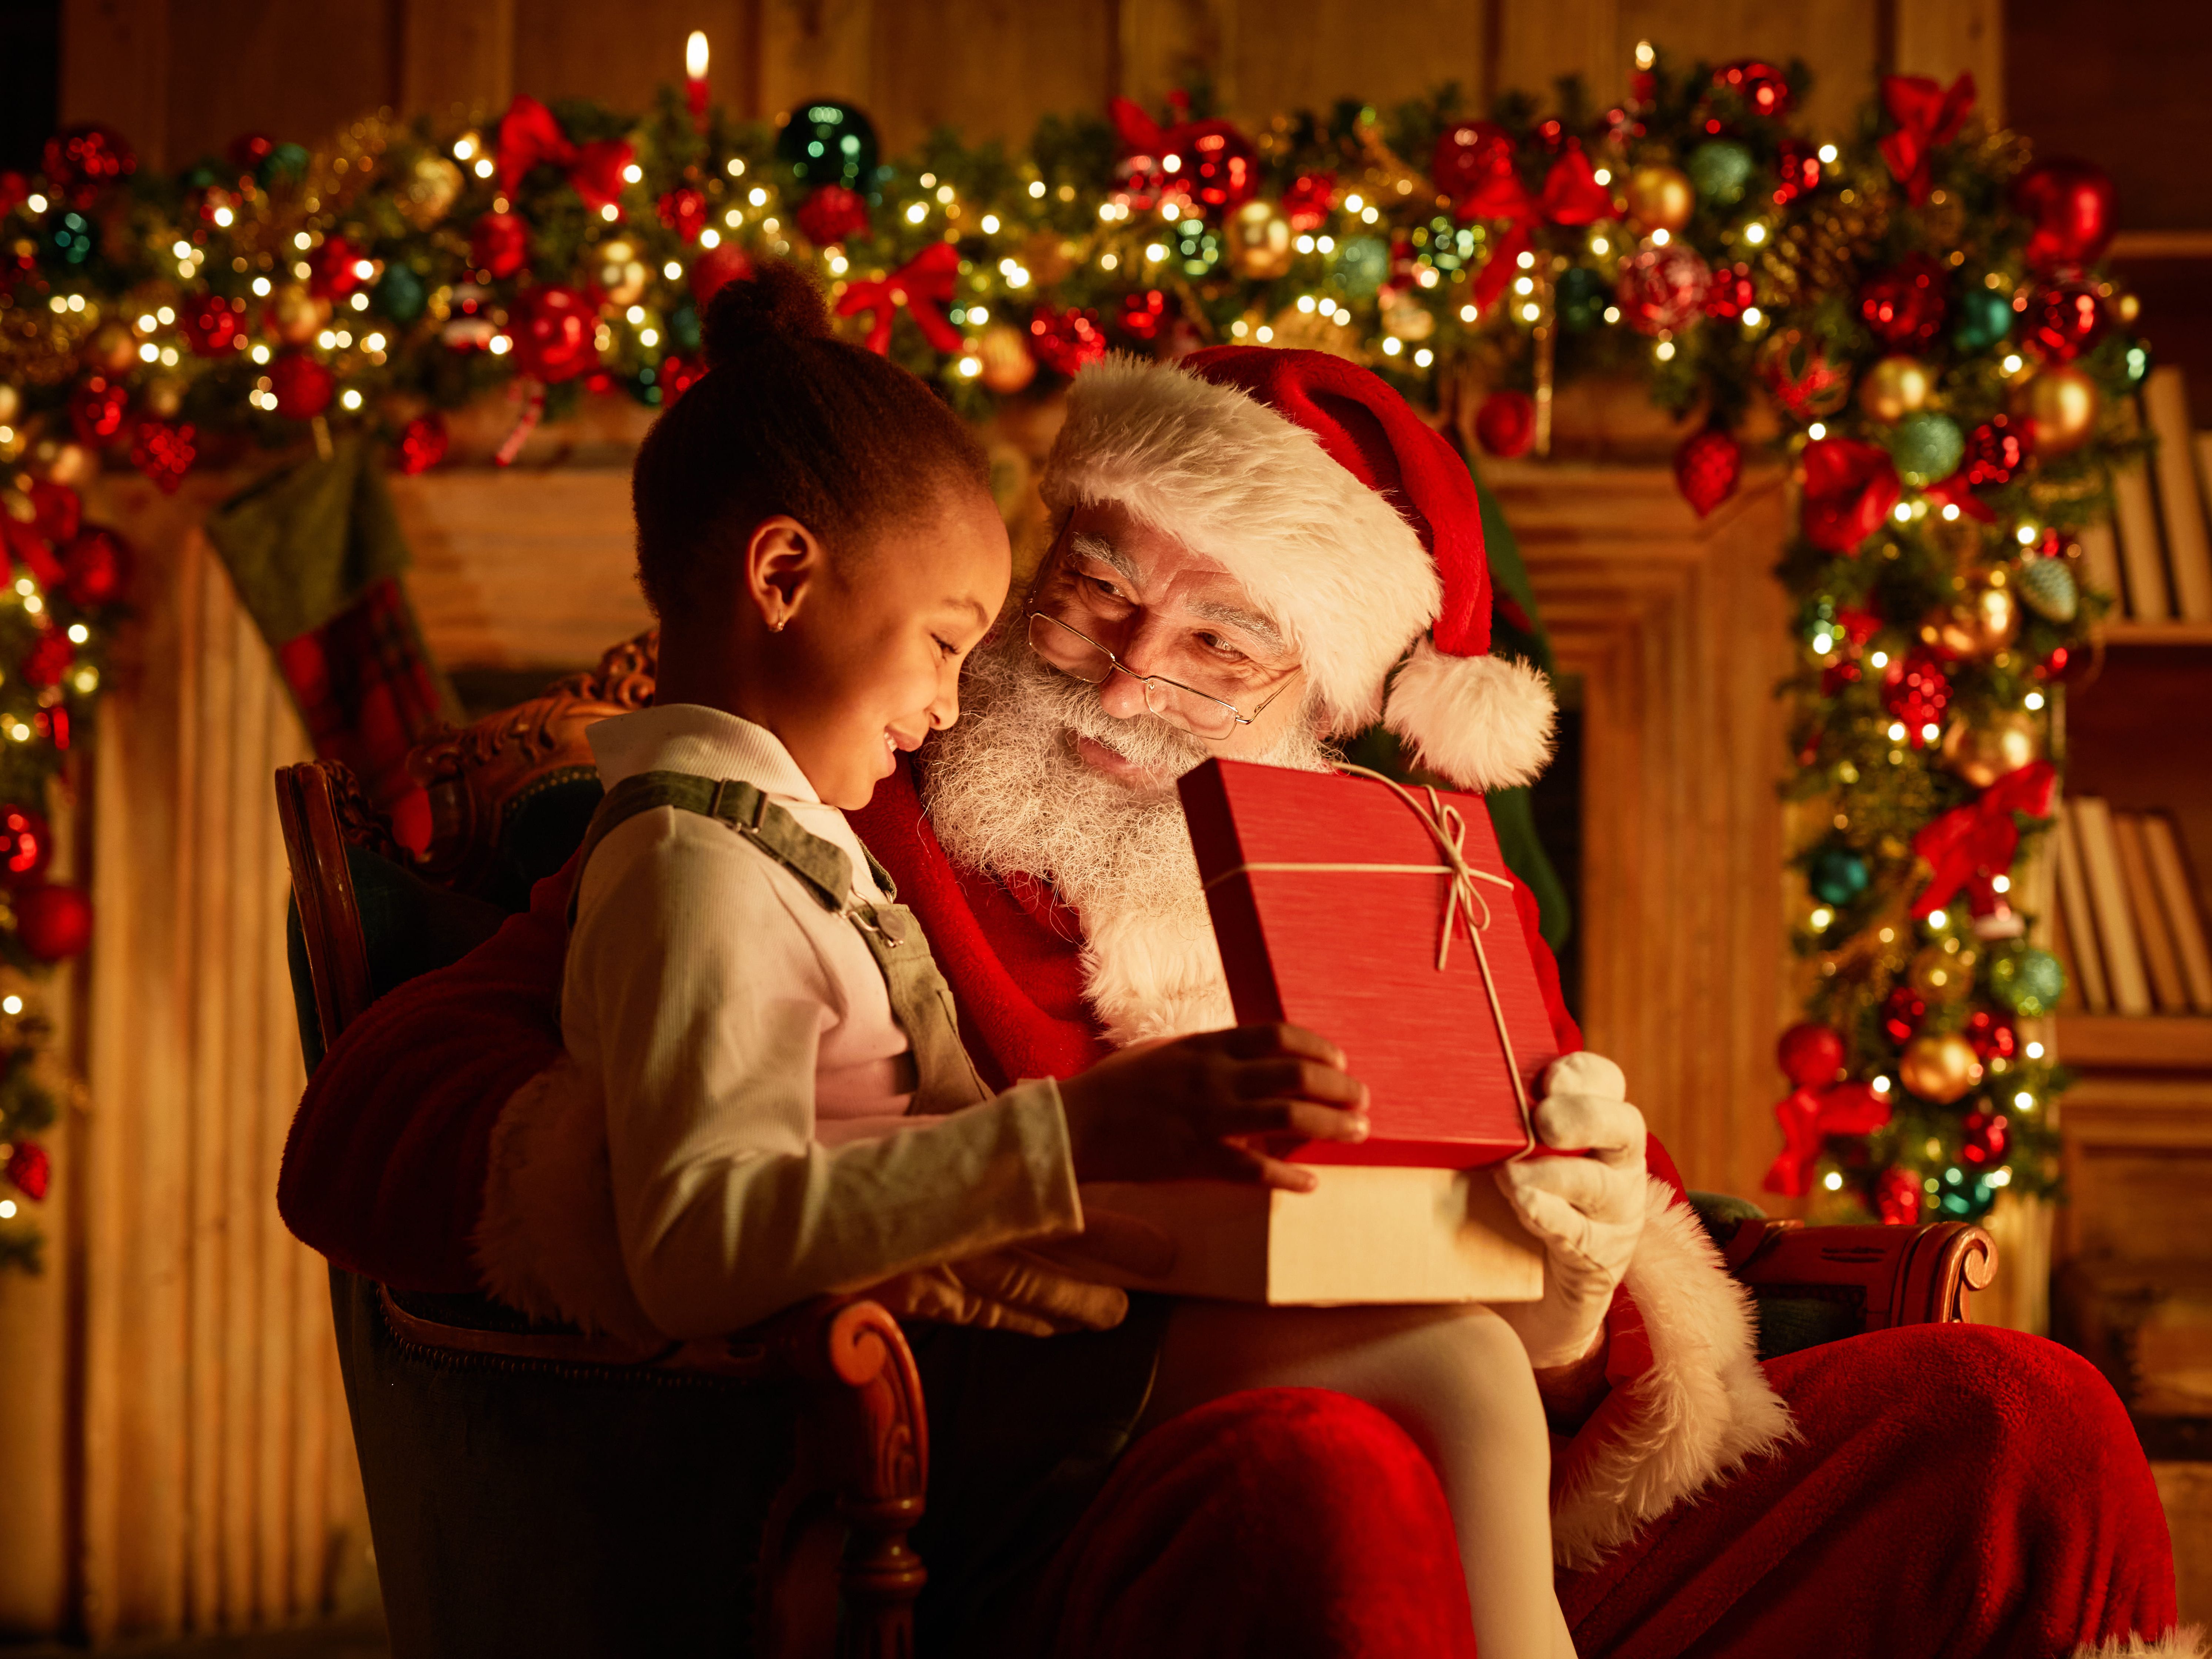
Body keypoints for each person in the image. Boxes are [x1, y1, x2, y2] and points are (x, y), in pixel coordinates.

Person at [280, 324, 2194, 1659]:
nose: (1120, 677)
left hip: (1502, 1534)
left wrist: (1588, 1262)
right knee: (1332, 1473)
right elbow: (382, 1117)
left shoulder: (1410, 885)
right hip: (1115, 1524)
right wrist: (905, 1194)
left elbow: (1577, 1393)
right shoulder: (841, 819)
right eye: (1094, 590)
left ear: (1325, 709)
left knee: (2015, 1420)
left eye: (1218, 645)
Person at [505, 261, 1575, 1655]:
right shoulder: (698, 860)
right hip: (919, 1398)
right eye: (1060, 605)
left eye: (1217, 646)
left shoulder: (782, 834)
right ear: (782, 577)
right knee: (1455, 1373)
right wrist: (1076, 1137)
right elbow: (703, 1242)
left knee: (1470, 1362)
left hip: (1030, 1329)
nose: (960, 698)